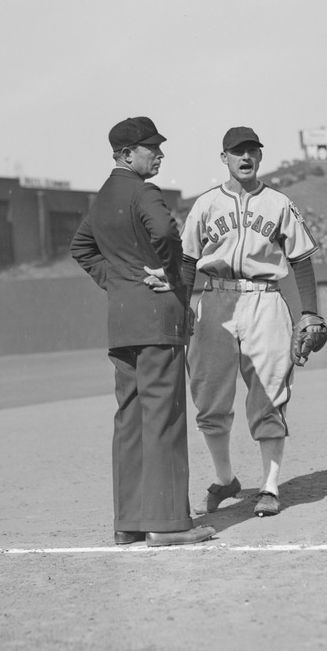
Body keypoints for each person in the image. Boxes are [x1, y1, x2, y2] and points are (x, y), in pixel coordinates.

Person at [70, 116, 217, 547]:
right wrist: (173, 278)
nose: (159, 153)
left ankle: (129, 523)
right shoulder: (143, 192)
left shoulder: (100, 199)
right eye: (151, 148)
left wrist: (118, 280)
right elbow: (167, 234)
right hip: (156, 318)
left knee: (130, 420)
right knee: (165, 419)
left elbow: (80, 248)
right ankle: (168, 525)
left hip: (122, 322)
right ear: (125, 155)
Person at [176, 126, 326, 518]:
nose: (245, 158)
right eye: (237, 152)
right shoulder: (205, 205)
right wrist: (181, 306)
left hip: (265, 300)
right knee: (208, 397)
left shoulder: (278, 203)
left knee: (270, 393)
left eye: (252, 152)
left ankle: (270, 486)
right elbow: (187, 262)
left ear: (260, 157)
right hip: (216, 300)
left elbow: (301, 261)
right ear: (223, 158)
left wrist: (308, 310)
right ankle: (225, 478)